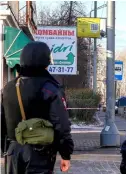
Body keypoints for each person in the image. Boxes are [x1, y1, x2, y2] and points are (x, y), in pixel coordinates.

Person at [1, 41, 74, 173]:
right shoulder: (50, 88)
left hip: (13, 152)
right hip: (40, 154)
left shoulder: (9, 88)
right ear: (45, 62)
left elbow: (2, 121)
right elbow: (61, 125)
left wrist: (5, 149)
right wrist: (65, 154)